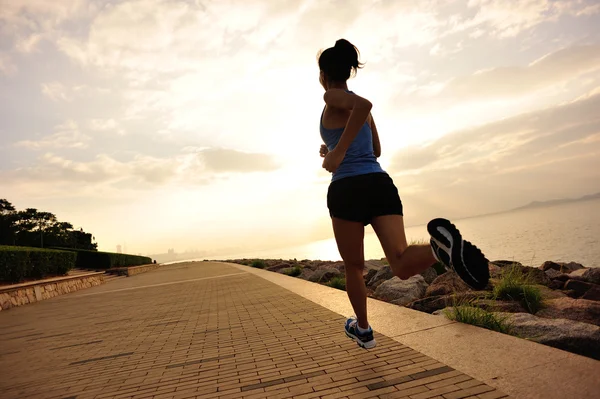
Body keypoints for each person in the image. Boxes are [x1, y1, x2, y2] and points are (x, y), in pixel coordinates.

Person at [318, 39, 490, 349]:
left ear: (324, 73)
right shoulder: (353, 107)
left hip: (346, 189)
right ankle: (440, 250)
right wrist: (331, 149)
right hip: (378, 183)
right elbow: (375, 149)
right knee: (399, 263)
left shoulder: (332, 95)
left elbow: (365, 107)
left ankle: (364, 329)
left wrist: (339, 150)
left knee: (354, 267)